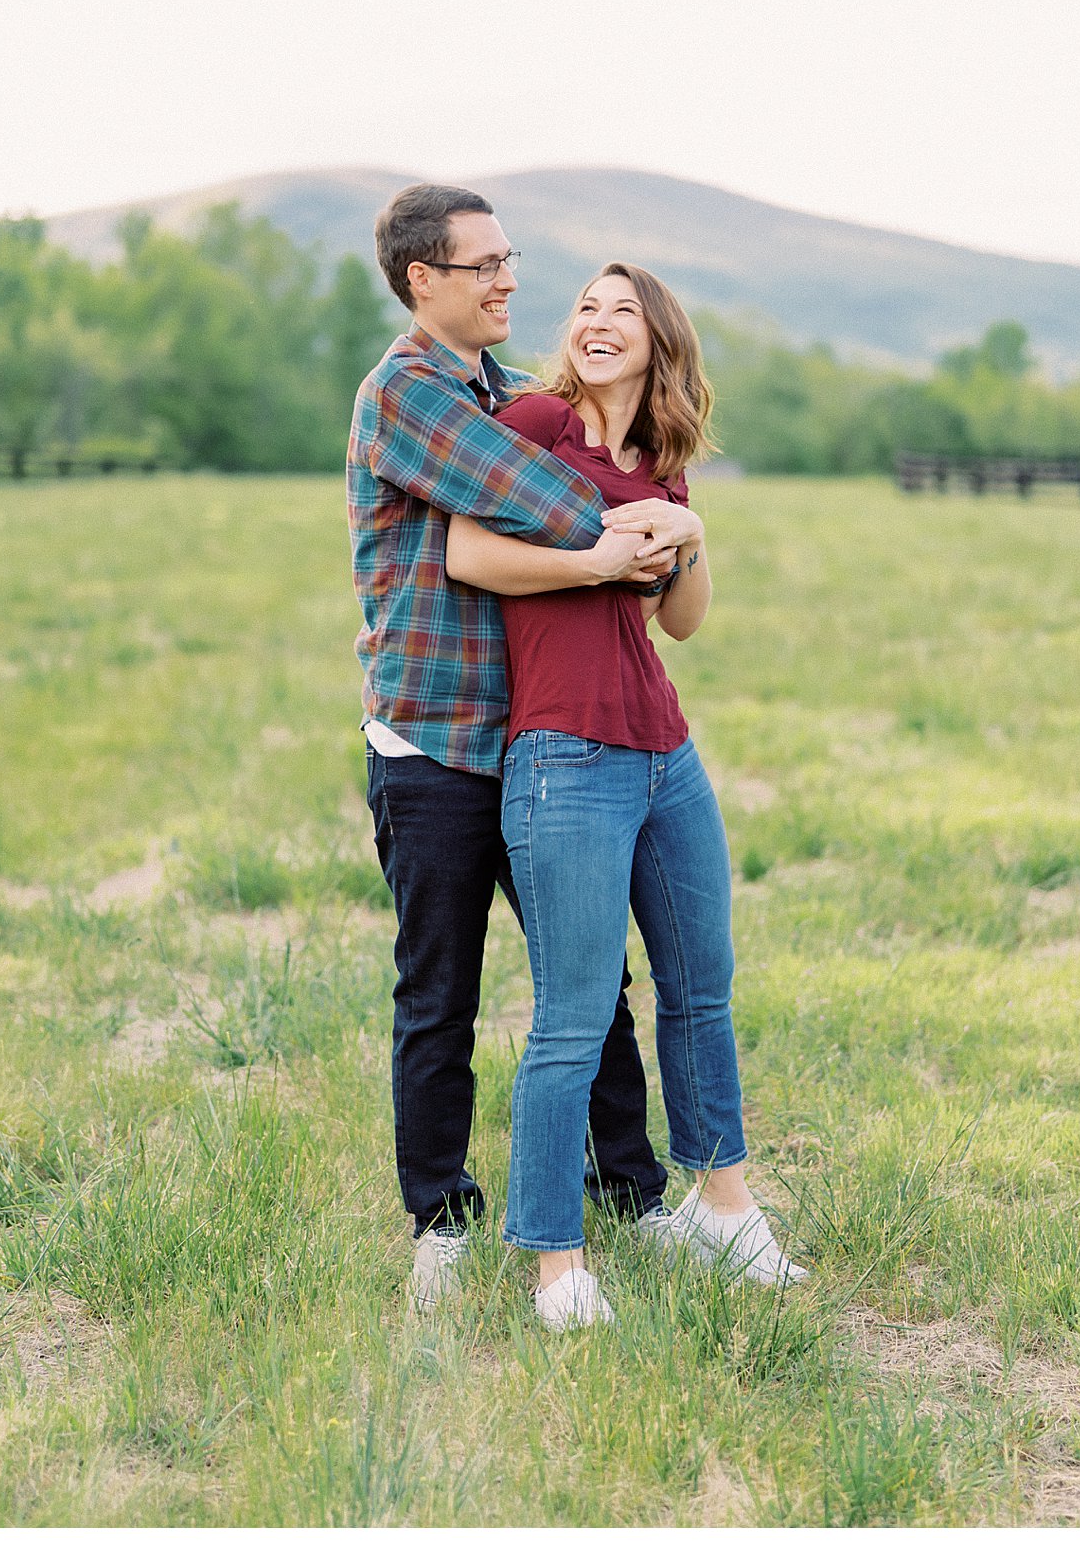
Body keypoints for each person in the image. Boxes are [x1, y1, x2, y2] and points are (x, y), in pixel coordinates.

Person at [347, 184, 692, 1313]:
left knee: (595, 983)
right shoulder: (408, 394)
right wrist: (651, 524)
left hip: (543, 745)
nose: (507, 280)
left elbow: (595, 474)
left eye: (509, 259)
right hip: (437, 745)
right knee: (440, 991)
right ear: (421, 282)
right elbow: (543, 496)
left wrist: (658, 517)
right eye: (483, 264)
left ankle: (631, 1193)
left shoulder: (507, 389)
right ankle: (441, 1219)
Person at [446, 263, 810, 1329]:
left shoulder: (658, 459)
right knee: (572, 1017)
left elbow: (682, 622)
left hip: (664, 752)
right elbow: (469, 552)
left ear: (658, 343)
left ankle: (724, 1209)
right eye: (587, 309)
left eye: (624, 312)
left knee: (702, 986)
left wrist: (686, 538)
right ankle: (556, 1268)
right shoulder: (532, 422)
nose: (599, 324)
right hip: (563, 758)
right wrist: (604, 559)